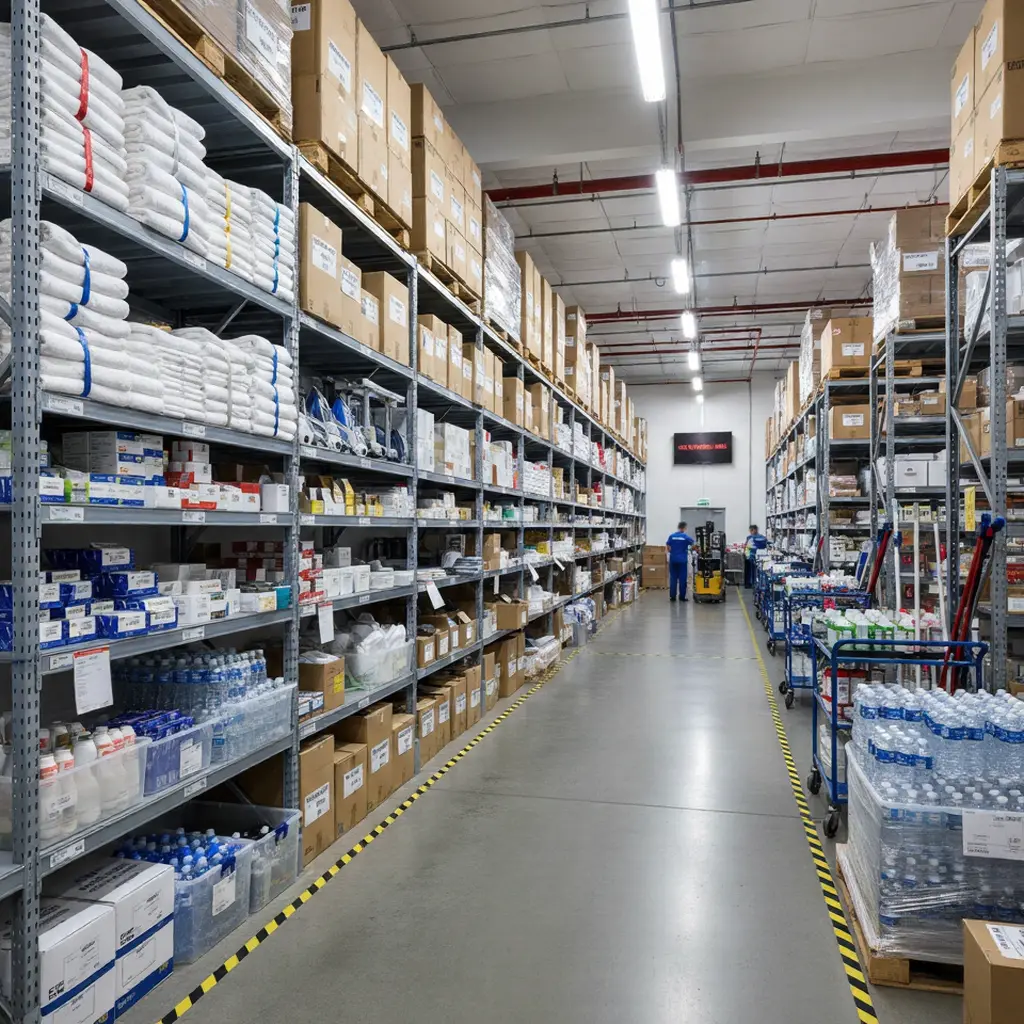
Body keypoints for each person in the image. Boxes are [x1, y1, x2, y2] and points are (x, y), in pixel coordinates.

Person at [665, 521, 694, 602]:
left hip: (673, 559)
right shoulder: (685, 536)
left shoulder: (672, 536)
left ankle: (672, 597)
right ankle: (682, 597)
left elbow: (668, 545)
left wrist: (671, 551)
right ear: (684, 528)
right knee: (682, 579)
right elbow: (693, 543)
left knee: (673, 578)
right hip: (682, 560)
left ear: (678, 527)